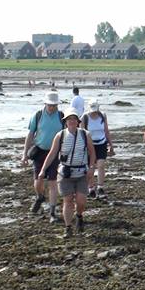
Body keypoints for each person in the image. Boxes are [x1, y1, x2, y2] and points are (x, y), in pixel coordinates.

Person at [38, 108, 96, 238]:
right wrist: (43, 170)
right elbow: (52, 153)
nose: (72, 121)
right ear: (65, 122)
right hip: (65, 174)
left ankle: (79, 216)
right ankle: (68, 227)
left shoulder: (85, 134)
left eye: (74, 119)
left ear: (78, 121)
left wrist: (92, 168)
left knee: (81, 201)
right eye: (69, 119)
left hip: (82, 173)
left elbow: (92, 152)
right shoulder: (60, 135)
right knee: (68, 200)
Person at [23, 91, 65, 223]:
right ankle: (40, 196)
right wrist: (24, 154)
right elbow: (30, 135)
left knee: (53, 183)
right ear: (45, 103)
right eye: (50, 105)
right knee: (38, 181)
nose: (52, 107)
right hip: (39, 151)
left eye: (54, 105)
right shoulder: (38, 115)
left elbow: (66, 135)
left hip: (54, 153)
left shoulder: (61, 116)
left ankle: (52, 213)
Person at [83, 101, 114, 199]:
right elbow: (82, 134)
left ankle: (100, 187)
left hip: (101, 143)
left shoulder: (102, 116)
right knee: (91, 167)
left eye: (95, 110)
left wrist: (111, 145)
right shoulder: (84, 117)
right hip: (90, 145)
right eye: (92, 111)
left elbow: (106, 131)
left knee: (101, 165)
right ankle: (91, 188)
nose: (94, 112)